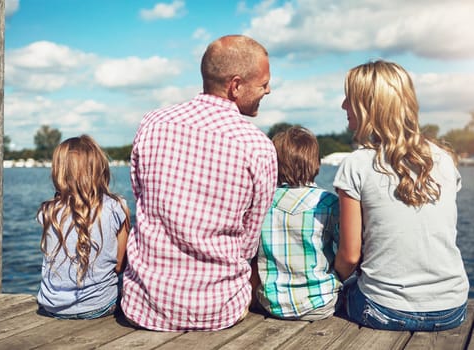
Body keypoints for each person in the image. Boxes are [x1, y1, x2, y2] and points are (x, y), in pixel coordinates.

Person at [121, 34, 278, 331]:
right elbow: (248, 242)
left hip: (144, 305)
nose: (268, 90)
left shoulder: (152, 123)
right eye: (263, 83)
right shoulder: (257, 146)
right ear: (235, 86)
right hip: (218, 310)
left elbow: (141, 198)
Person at [334, 60, 469, 331]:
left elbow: (349, 257)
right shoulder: (443, 159)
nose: (343, 105)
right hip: (452, 309)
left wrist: (332, 280)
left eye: (349, 97)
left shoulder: (357, 164)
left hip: (383, 310)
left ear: (367, 105)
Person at [37, 135, 130, 319]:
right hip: (100, 306)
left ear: (59, 172)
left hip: (52, 306)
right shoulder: (117, 206)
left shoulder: (47, 211)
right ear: (100, 168)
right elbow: (120, 265)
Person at [252, 126, 341, 320]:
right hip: (321, 304)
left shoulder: (262, 202)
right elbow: (345, 250)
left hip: (271, 304)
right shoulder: (328, 202)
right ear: (315, 163)